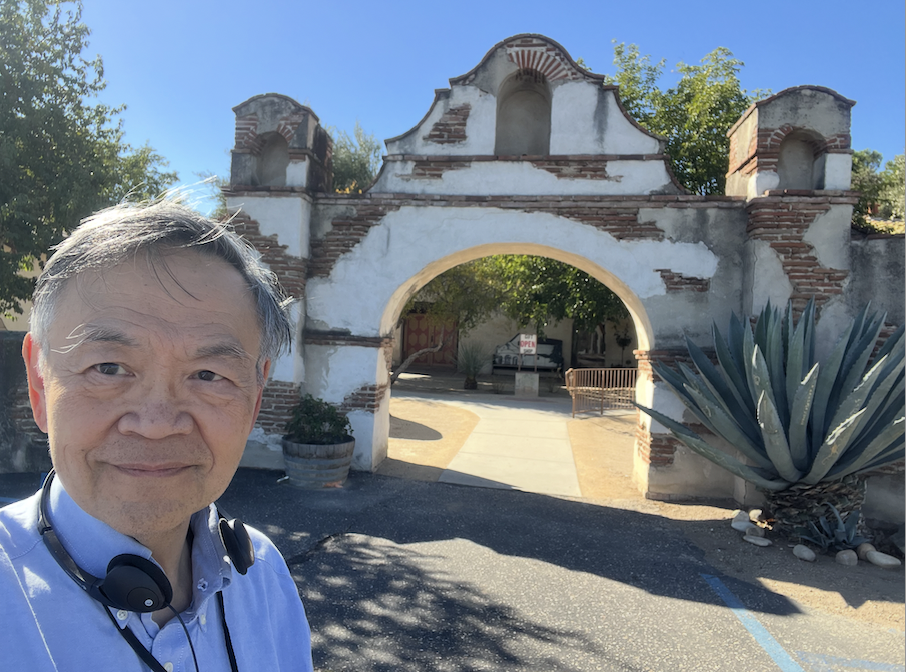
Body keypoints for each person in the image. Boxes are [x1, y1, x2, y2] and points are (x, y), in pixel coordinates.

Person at [0, 201, 314, 671]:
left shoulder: (265, 576)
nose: (157, 423)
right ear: (40, 381)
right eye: (108, 368)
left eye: (208, 374)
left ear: (254, 398)